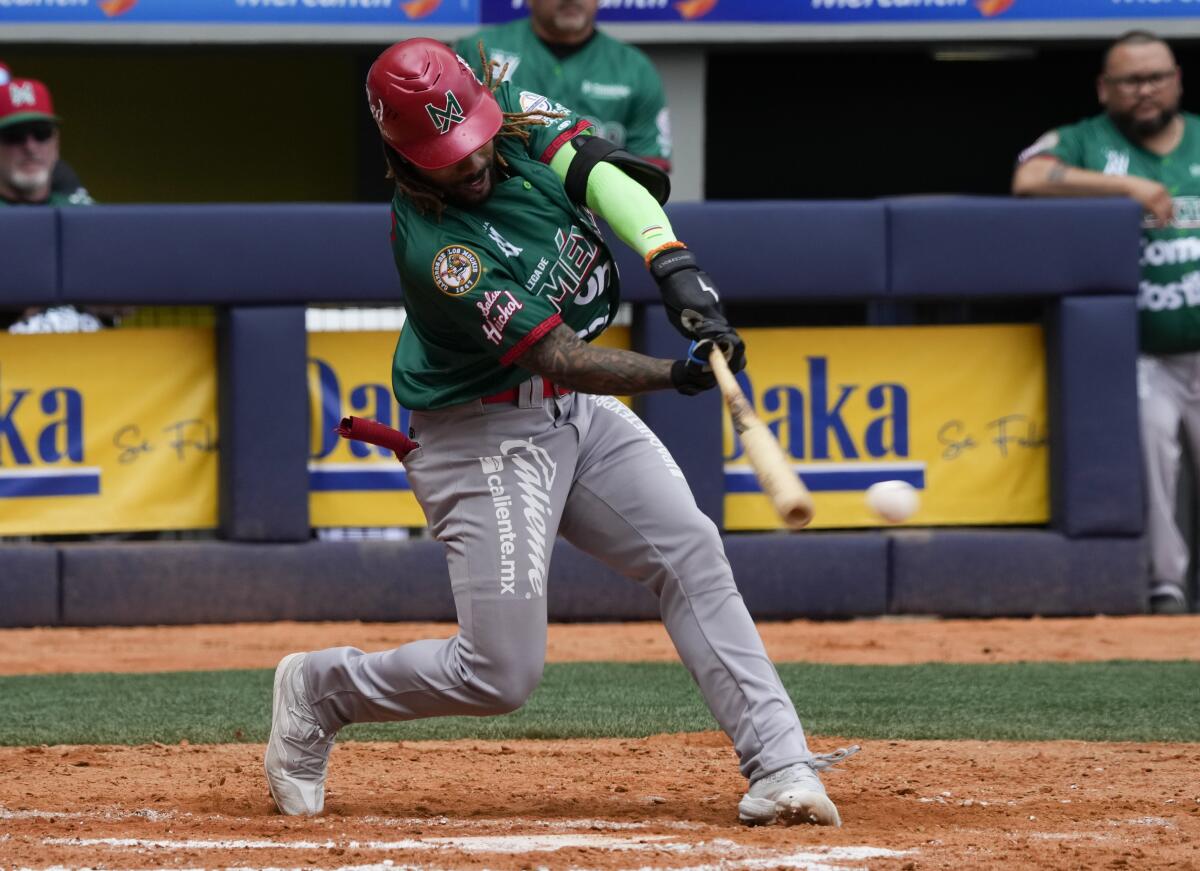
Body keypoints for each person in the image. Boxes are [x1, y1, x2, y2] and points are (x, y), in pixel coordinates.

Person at [264, 38, 855, 827]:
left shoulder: (505, 112)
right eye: (445, 155)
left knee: (690, 550)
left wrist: (673, 265)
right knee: (500, 673)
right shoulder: (439, 253)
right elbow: (562, 357)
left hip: (566, 412)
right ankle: (319, 689)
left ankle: (780, 762)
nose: (470, 161)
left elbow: (601, 173)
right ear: (403, 159)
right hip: (481, 430)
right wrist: (674, 375)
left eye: (472, 137)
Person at [1013, 30, 1200, 615]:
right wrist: (1126, 185)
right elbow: (1028, 178)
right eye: (1130, 80)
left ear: (1176, 79)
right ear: (1105, 88)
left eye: (1156, 77)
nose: (1145, 90)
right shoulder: (1086, 141)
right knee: (1149, 456)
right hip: (1145, 354)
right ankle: (1165, 590)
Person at [453, 0, 671, 171]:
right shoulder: (478, 51)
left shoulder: (635, 68)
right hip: (502, 210)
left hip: (598, 216)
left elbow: (649, 165)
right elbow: (447, 142)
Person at [0, 66, 92, 208]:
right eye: (15, 135)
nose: (30, 147)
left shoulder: (87, 215)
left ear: (56, 143)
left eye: (41, 133)